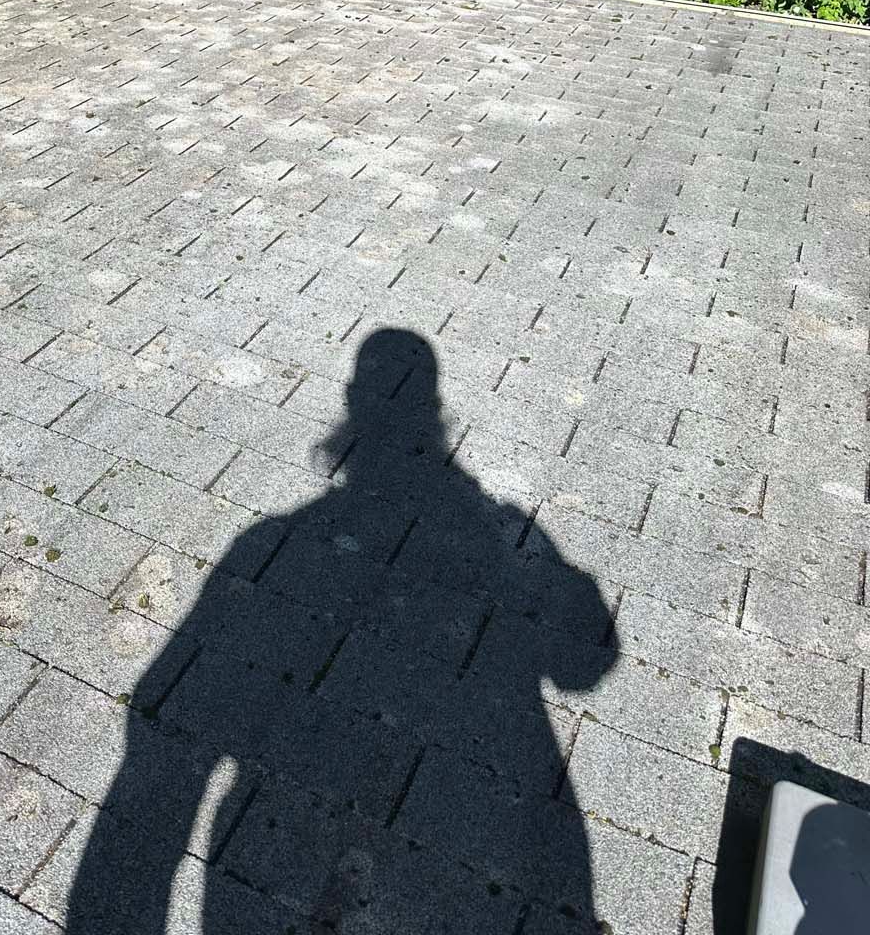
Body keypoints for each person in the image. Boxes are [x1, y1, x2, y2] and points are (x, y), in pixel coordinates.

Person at [63, 327, 617, 932]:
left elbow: (160, 733)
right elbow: (584, 667)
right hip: (501, 826)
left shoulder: (266, 544)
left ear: (353, 402)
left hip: (272, 859)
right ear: (436, 411)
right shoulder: (501, 534)